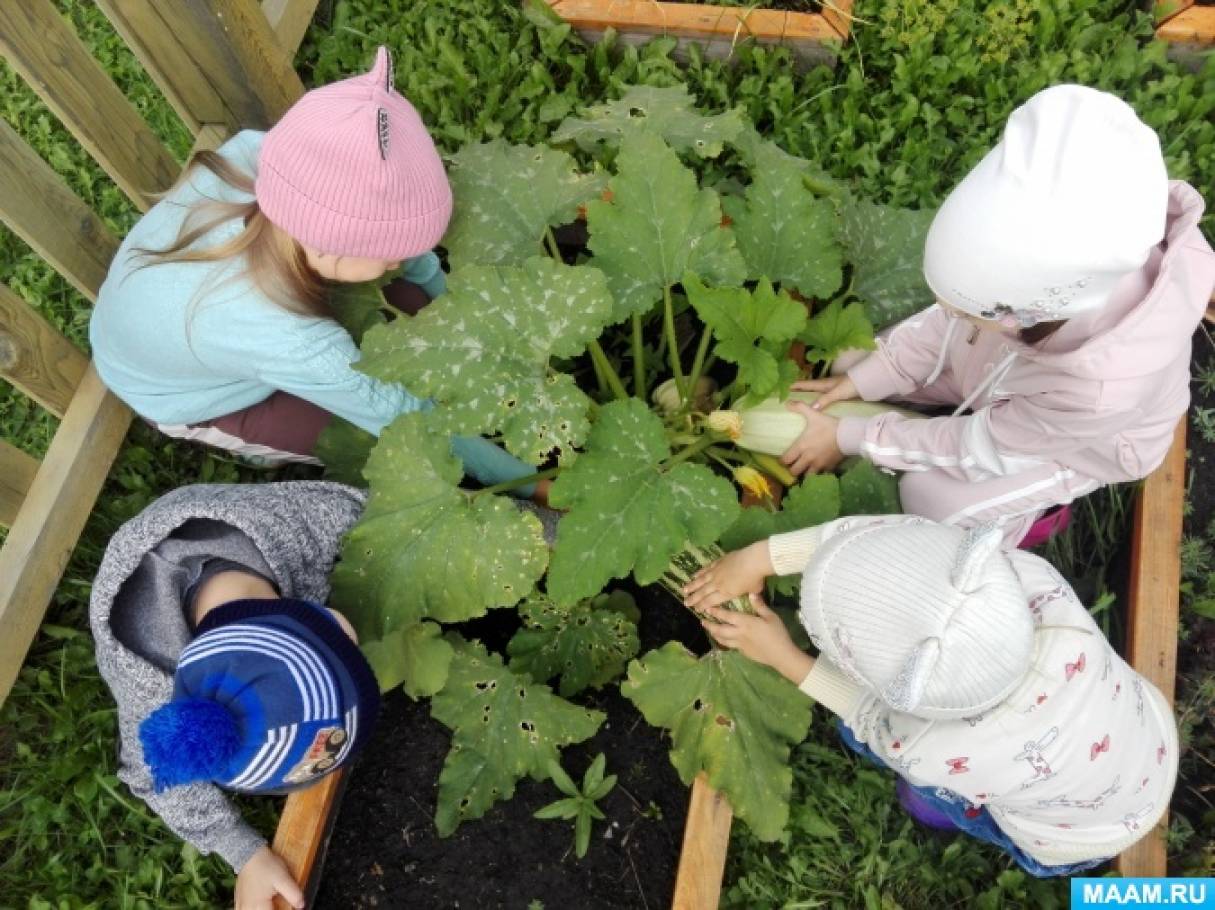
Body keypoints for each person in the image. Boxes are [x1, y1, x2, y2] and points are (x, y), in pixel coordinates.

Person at [89, 47, 548, 503]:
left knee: (411, 306)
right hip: (177, 389)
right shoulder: (288, 338)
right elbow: (408, 420)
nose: (401, 261)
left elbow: (413, 258)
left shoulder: (269, 155)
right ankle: (243, 439)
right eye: (390, 254)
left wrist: (457, 310)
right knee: (354, 434)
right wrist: (534, 483)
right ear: (329, 243)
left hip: (169, 306)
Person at [779, 84, 1215, 545]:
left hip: (1072, 447)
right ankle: (901, 406)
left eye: (964, 310)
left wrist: (852, 437)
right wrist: (862, 384)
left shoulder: (1099, 392)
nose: (948, 313)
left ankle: (1026, 522)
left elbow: (983, 447)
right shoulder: (1035, 284)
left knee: (929, 497)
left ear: (1021, 317)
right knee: (855, 361)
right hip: (997, 373)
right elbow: (944, 327)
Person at [682, 515, 1179, 876]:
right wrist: (762, 557)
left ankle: (939, 810)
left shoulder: (923, 748)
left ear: (903, 694)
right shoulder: (1022, 576)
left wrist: (782, 655)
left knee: (916, 786)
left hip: (1074, 837)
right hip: (1148, 743)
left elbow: (866, 713)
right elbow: (892, 541)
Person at [90, 481, 377, 910]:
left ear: (325, 614)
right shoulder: (148, 686)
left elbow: (372, 509)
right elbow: (153, 775)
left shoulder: (297, 526)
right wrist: (245, 852)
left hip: (202, 522)